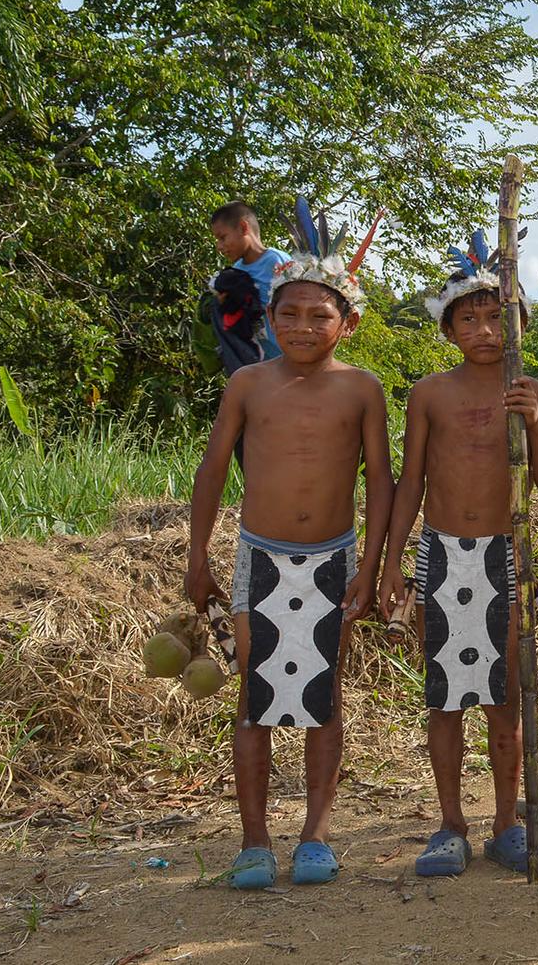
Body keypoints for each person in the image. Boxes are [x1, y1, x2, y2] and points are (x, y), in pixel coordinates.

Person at [185, 207, 392, 890]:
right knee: (255, 692)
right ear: (270, 319)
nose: (304, 327)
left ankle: (315, 835)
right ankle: (253, 841)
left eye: (319, 316)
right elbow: (212, 470)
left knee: (321, 693)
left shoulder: (363, 389)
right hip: (261, 555)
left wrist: (369, 567)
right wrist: (198, 557)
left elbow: (382, 482)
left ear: (348, 322)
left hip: (332, 555)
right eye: (290, 314)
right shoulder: (248, 383)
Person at [380, 232, 538, 876]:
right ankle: (450, 823)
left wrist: (535, 426)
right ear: (449, 326)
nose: (485, 329)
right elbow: (411, 482)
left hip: (505, 555)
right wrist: (390, 564)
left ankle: (507, 822)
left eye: (498, 316)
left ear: (519, 320)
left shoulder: (534, 392)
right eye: (470, 317)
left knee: (505, 694)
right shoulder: (431, 392)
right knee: (445, 694)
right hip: (441, 555)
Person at [208, 202, 291, 362]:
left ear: (243, 228)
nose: (219, 246)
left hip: (293, 357)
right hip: (262, 364)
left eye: (223, 237)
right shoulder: (235, 273)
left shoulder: (277, 262)